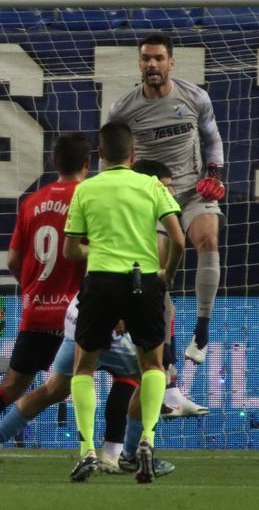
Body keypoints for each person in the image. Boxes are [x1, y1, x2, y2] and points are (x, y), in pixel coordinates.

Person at [0, 133, 90, 475]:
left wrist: (32, 289)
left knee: (13, 386)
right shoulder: (88, 197)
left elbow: (12, 259)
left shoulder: (32, 202)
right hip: (75, 316)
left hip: (36, 312)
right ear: (87, 164)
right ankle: (112, 450)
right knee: (116, 375)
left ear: (54, 163)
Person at [62, 122, 184, 484]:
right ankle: (146, 440)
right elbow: (179, 239)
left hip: (100, 282)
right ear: (132, 155)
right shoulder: (150, 185)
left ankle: (86, 449)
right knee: (153, 366)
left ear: (99, 155)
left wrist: (96, 248)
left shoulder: (86, 189)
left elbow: (70, 250)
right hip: (143, 280)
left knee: (84, 368)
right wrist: (166, 274)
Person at [106, 33, 226, 371]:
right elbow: (113, 155)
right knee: (156, 272)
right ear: (139, 63)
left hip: (191, 190)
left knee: (208, 238)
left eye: (158, 58)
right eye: (146, 58)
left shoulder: (194, 97)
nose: (152, 64)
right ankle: (168, 355)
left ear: (171, 62)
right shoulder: (123, 108)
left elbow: (212, 138)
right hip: (150, 196)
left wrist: (214, 175)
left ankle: (202, 330)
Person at [0, 294, 178, 481]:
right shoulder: (148, 259)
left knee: (55, 388)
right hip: (113, 321)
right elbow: (163, 299)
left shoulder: (100, 255)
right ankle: (131, 455)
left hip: (80, 314)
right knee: (151, 376)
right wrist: (167, 351)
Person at [130, 159, 209, 418]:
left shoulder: (157, 217)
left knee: (166, 306)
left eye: (172, 187)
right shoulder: (143, 218)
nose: (171, 193)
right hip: (115, 298)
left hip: (135, 296)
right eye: (166, 187)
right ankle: (164, 389)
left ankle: (170, 390)